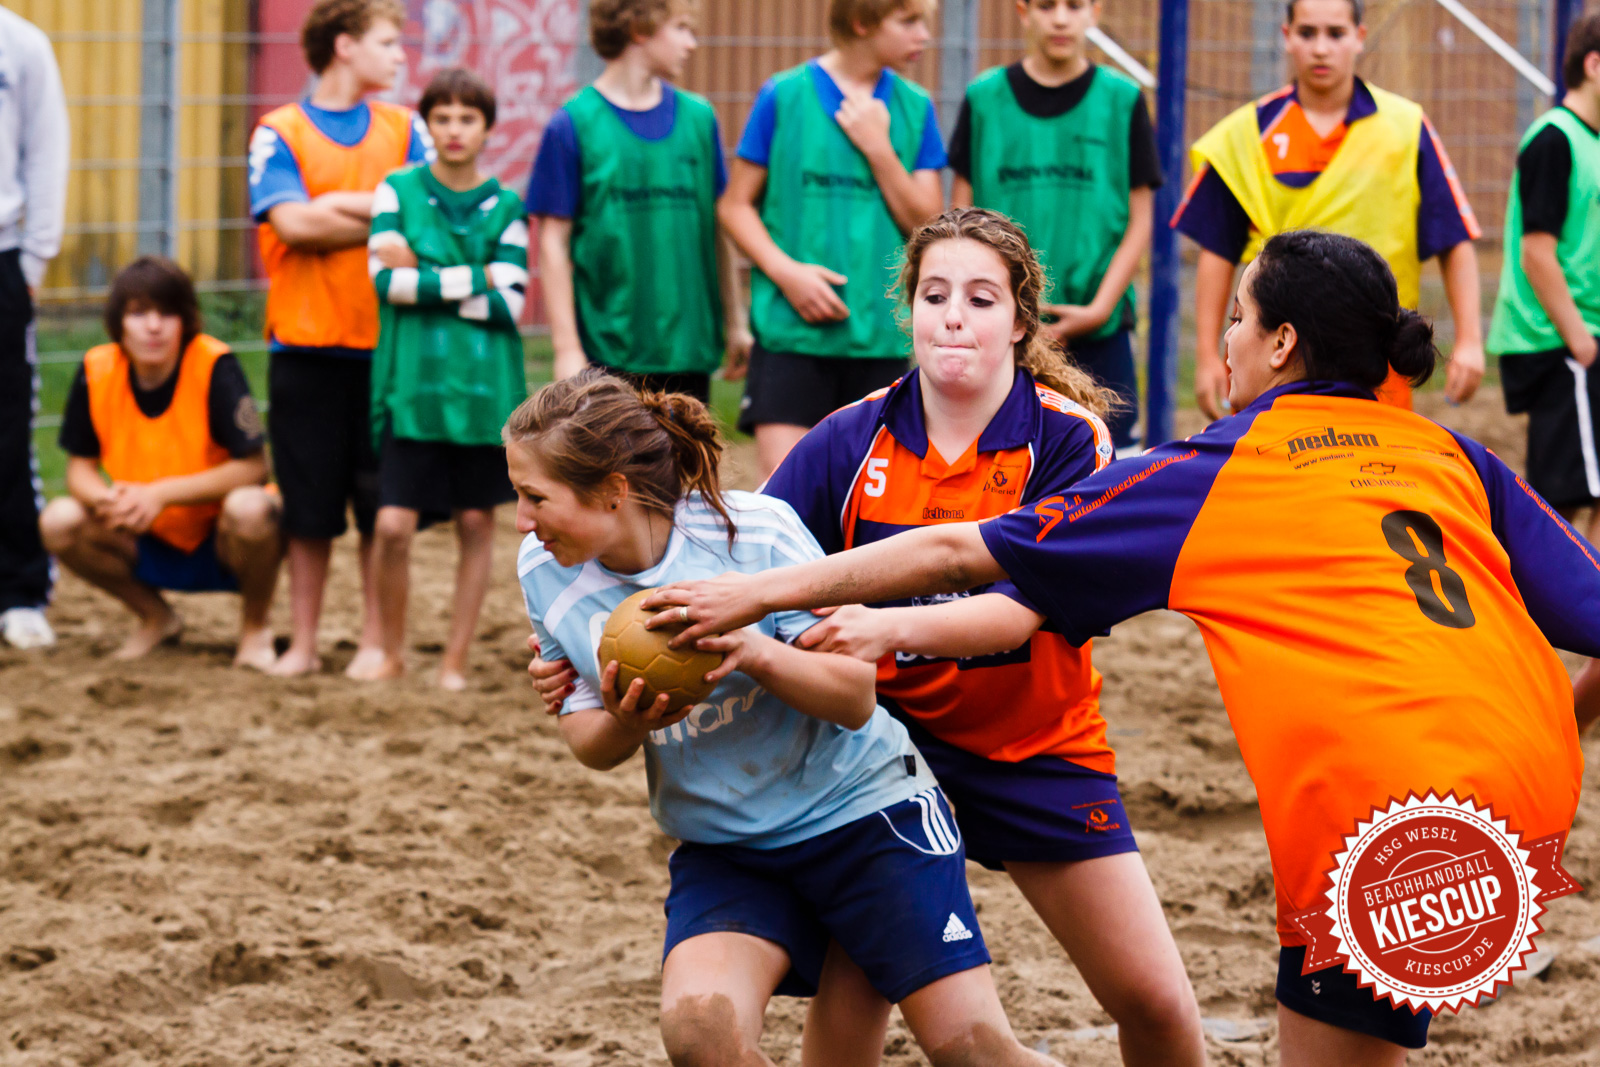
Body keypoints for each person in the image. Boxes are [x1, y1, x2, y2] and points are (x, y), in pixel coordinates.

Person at [647, 230, 1599, 1065]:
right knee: (894, 991)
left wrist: (770, 601)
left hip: (1362, 804)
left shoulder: (1209, 468)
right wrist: (1553, 726)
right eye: (934, 294)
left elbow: (965, 565)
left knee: (1173, 1013)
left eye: (1236, 315)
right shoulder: (1452, 454)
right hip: (1518, 789)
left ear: (1281, 343)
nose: (1221, 339)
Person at [537, 208, 1205, 1064]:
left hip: (1029, 746)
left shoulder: (1065, 439)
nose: (954, 315)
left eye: (981, 297)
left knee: (1150, 998)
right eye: (934, 294)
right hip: (872, 759)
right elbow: (736, 557)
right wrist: (584, 646)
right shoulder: (850, 438)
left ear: (1021, 321)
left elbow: (1018, 613)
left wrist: (882, 623)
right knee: (850, 1031)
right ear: (909, 311)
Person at [511, 370, 1072, 1067]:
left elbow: (853, 692)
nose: (520, 518)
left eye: (535, 497)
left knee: (973, 1051)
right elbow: (591, 745)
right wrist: (630, 718)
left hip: (866, 816)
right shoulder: (543, 569)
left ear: (613, 492)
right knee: (700, 1035)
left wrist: (751, 650)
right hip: (728, 844)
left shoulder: (753, 533)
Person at [1173, 0, 1484, 417]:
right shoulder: (1245, 135)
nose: (1321, 48)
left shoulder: (1406, 128)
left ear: (1360, 37)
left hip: (1375, 359)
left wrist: (1469, 338)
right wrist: (1210, 354)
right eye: (1307, 33)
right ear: (1286, 37)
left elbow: (1454, 239)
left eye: (1335, 34)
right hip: (1276, 356)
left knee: (1375, 475)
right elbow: (1217, 249)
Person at [248, 0, 434, 677]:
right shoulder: (279, 130)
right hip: (304, 349)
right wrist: (386, 214)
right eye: (389, 42)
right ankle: (302, 643)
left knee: (380, 507)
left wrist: (340, 208)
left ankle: (376, 643)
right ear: (346, 45)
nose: (400, 56)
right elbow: (294, 226)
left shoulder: (408, 128)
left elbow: (428, 218)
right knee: (309, 510)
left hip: (390, 352)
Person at [720, 0, 946, 478]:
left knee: (868, 506)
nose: (924, 34)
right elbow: (734, 206)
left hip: (879, 337)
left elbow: (930, 225)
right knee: (787, 498)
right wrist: (787, 273)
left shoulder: (914, 105)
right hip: (791, 336)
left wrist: (879, 148)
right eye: (909, 21)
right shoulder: (783, 96)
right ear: (862, 22)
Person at [360, 68, 529, 688]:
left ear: (486, 127)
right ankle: (392, 652)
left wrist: (426, 271)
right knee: (392, 526)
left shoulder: (508, 204)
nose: (454, 130)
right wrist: (477, 274)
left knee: (477, 523)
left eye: (468, 118)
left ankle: (454, 660)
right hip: (413, 389)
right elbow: (385, 284)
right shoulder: (396, 190)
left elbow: (512, 303)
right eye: (442, 118)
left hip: (484, 394)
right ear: (426, 125)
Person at [37, 258, 281, 668]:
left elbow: (255, 467)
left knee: (253, 508)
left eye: (167, 313)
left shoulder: (213, 364)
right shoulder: (97, 370)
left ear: (185, 320)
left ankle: (255, 628)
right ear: (118, 322)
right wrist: (109, 499)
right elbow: (78, 468)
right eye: (138, 313)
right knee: (58, 521)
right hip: (139, 530)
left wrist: (160, 495)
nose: (154, 327)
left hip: (219, 533)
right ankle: (156, 617)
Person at [949, 0, 1162, 455]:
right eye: (1047, 6)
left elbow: (1141, 218)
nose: (1061, 18)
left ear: (1096, 12)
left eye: (1074, 5)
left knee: (1111, 475)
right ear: (1023, 12)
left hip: (1098, 328)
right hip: (1003, 330)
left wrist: (1102, 308)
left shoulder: (1122, 100)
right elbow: (959, 221)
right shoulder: (984, 98)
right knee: (999, 468)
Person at [529, 0, 750, 405]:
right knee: (616, 470)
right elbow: (553, 243)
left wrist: (736, 323)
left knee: (685, 469)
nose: (692, 43)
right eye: (681, 28)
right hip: (607, 353)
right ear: (640, 29)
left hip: (689, 348)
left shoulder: (699, 119)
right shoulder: (572, 124)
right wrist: (566, 348)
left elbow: (716, 230)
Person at [1487, 12, 1600, 736]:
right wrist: (1583, 344)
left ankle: (1561, 719)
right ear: (1594, 65)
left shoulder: (1588, 143)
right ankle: (1537, 713)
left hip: (1580, 346)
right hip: (1565, 351)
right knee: (1563, 527)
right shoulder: (1555, 140)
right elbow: (1537, 253)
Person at [0, 7, 68, 649]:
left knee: (7, 430)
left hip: (1, 261)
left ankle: (20, 590)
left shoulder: (20, 45)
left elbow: (46, 151)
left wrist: (35, 258)